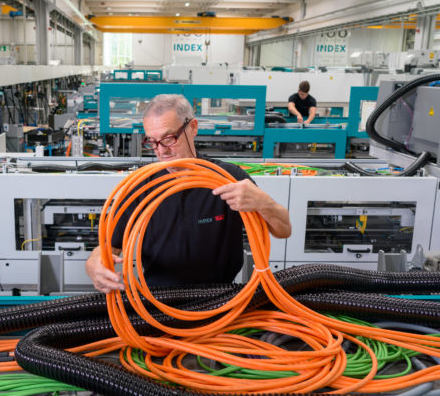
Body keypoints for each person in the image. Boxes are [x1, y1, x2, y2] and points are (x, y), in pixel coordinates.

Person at [85, 94, 291, 293]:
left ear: (192, 128)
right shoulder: (141, 186)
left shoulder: (229, 178)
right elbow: (110, 247)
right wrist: (95, 262)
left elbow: (284, 230)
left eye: (168, 138)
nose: (161, 151)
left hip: (220, 297)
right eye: (152, 142)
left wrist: (264, 203)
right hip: (157, 300)